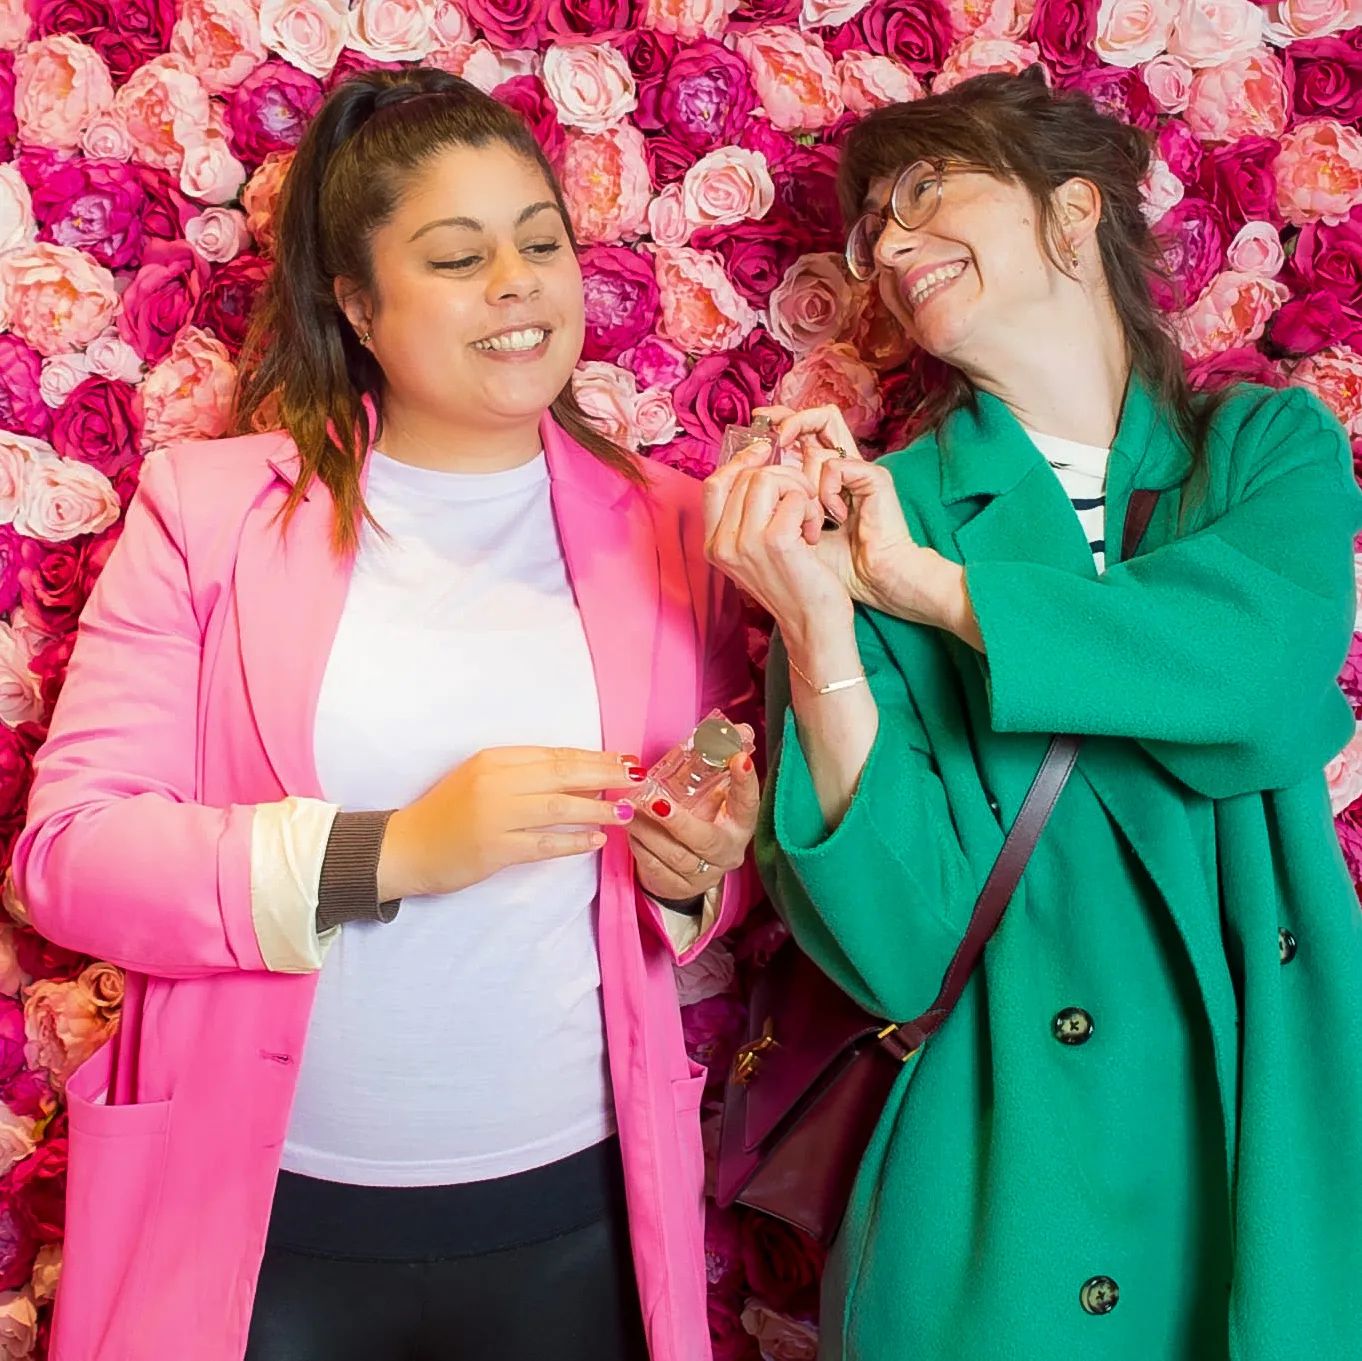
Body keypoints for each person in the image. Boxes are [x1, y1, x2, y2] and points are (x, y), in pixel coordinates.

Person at [13, 67, 759, 1361]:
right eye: (458, 258)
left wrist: (694, 871)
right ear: (357, 304)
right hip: (263, 1220)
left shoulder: (672, 526)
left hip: (571, 1210)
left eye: (541, 244)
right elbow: (68, 859)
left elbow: (699, 880)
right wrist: (395, 849)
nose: (517, 284)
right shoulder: (208, 513)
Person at [704, 69, 1362, 1361]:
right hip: (1006, 1190)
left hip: (1261, 1134)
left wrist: (935, 594)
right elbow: (898, 950)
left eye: (924, 189)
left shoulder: (1261, 448)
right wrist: (823, 623)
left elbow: (1260, 678)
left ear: (1071, 211)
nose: (889, 241)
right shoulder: (882, 511)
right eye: (869, 226)